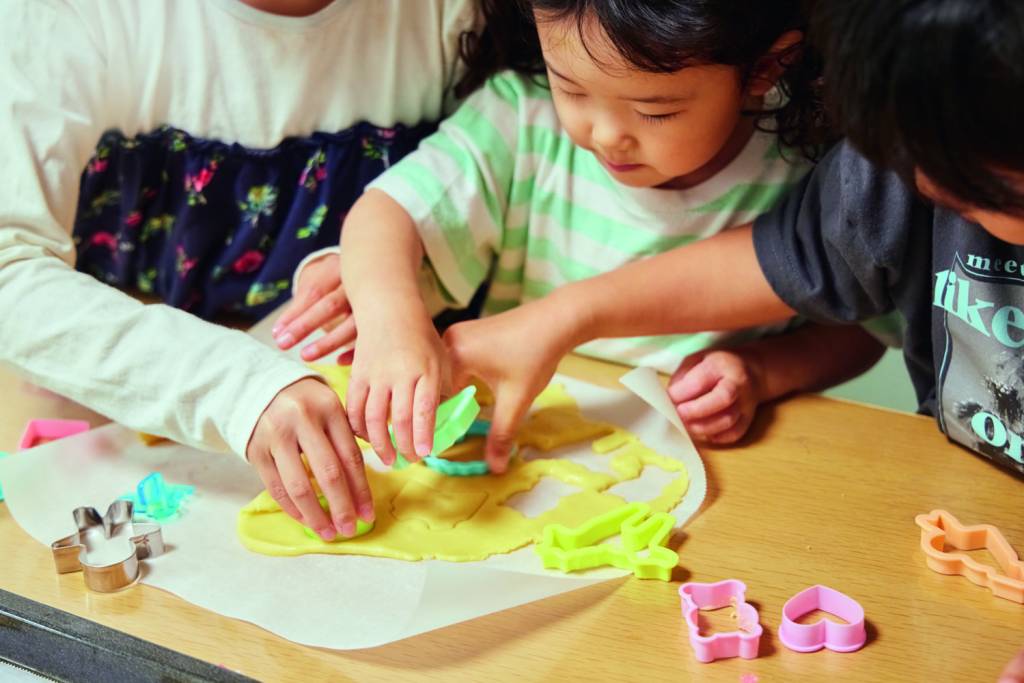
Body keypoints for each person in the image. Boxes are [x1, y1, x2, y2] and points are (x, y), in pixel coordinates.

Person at [438, 0, 1024, 483]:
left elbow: (854, 330)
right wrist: (560, 318)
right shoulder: (894, 174)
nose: (922, 183)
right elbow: (773, 260)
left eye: (986, 190)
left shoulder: (903, 157)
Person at [287, 0, 884, 469]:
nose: (604, 135)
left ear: (765, 67)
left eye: (654, 111)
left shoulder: (807, 172)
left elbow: (862, 329)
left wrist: (762, 370)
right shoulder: (524, 119)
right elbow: (385, 212)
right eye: (571, 88)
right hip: (526, 460)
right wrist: (391, 323)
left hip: (715, 471)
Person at [0, 0, 476, 540]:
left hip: (357, 400)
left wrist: (398, 272)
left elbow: (505, 165)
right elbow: (10, 269)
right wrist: (237, 387)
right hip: (111, 417)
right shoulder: (69, 15)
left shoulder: (452, 14)